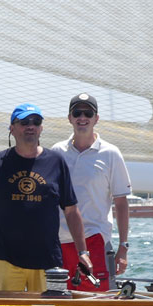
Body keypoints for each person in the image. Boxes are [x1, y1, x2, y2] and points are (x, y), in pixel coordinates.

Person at [0, 103, 92, 292]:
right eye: (24, 122)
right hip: (5, 258)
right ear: (12, 129)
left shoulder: (56, 162)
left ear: (41, 128)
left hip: (48, 260)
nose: (30, 126)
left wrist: (83, 252)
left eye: (36, 122)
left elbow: (71, 210)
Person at [51, 93, 131, 290]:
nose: (82, 117)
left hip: (96, 240)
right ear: (69, 118)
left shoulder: (111, 153)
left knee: (99, 301)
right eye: (77, 112)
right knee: (60, 301)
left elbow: (121, 204)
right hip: (60, 241)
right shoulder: (56, 152)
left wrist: (123, 247)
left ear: (96, 119)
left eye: (88, 113)